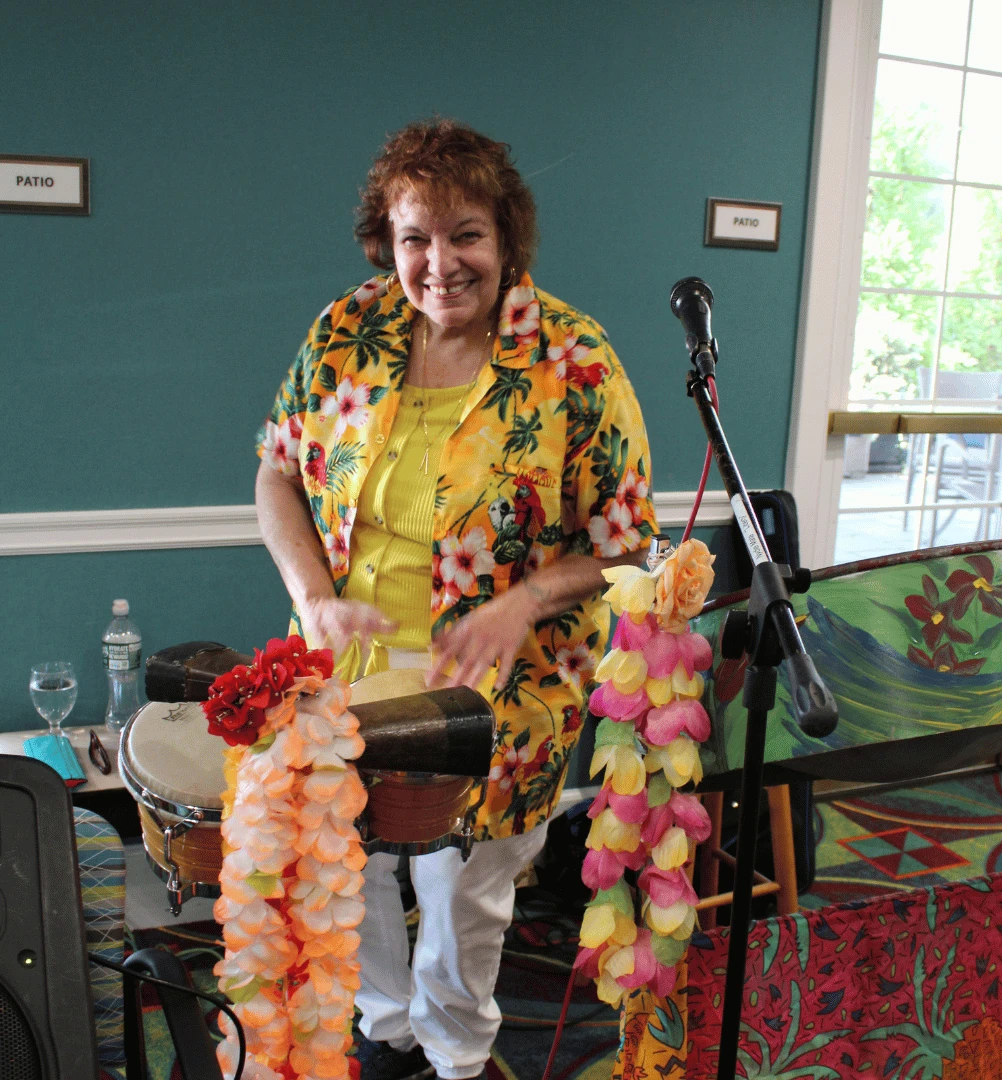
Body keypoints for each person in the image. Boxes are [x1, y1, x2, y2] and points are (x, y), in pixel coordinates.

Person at [254, 118, 657, 1080]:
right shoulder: (346, 332)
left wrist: (523, 602)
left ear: (507, 238)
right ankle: (386, 1027)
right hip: (350, 656)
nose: (441, 263)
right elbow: (275, 475)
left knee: (460, 887)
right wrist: (311, 597)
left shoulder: (573, 359)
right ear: (385, 244)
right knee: (352, 860)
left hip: (498, 680)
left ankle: (458, 1049)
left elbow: (625, 542)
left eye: (465, 233)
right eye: (414, 238)